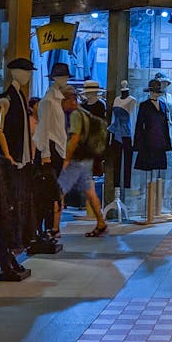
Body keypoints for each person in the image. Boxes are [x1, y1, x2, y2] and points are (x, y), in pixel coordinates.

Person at [58, 86, 109, 238]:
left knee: (58, 190)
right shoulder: (85, 112)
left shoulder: (75, 114)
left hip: (77, 159)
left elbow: (74, 138)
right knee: (90, 191)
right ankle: (101, 223)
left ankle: (54, 228)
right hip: (87, 158)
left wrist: (66, 159)